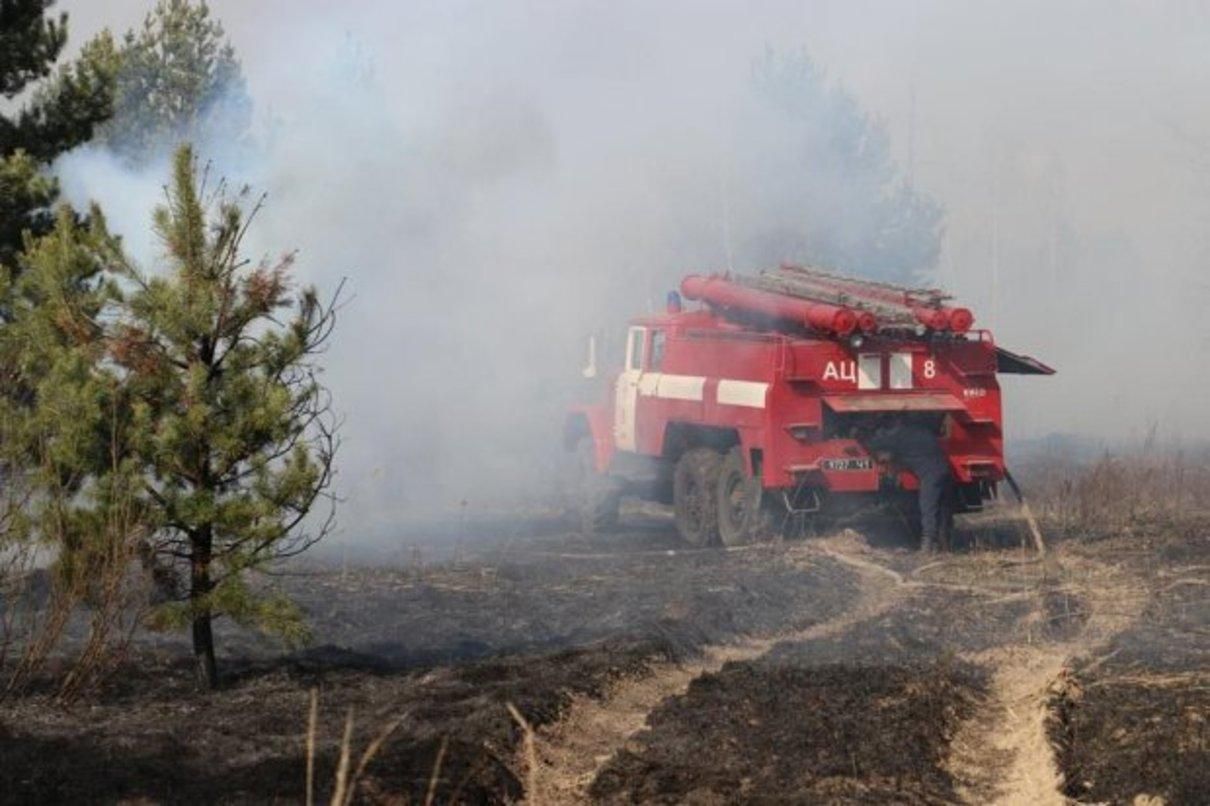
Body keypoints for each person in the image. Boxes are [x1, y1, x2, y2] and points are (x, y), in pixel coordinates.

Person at [860, 415, 953, 553]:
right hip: (945, 472)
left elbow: (875, 444)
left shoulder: (899, 436)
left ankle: (927, 545)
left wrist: (861, 437)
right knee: (943, 509)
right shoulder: (923, 432)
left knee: (928, 508)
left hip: (931, 476)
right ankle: (945, 546)